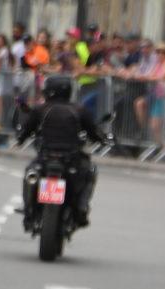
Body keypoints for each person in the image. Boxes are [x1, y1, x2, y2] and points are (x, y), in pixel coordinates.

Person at [16, 74, 106, 229]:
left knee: (30, 173)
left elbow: (25, 130)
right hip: (72, 158)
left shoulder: (41, 109)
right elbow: (94, 132)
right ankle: (82, 208)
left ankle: (29, 208)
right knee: (90, 172)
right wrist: (102, 139)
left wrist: (20, 138)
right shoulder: (79, 109)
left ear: (49, 90)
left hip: (46, 157)